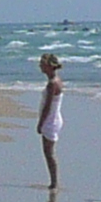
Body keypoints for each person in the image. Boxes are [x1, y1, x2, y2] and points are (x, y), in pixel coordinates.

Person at [35, 51, 65, 189]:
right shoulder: (56, 81)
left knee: (49, 153)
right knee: (48, 153)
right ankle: (53, 181)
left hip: (50, 120)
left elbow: (47, 106)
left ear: (48, 66)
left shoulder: (52, 84)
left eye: (42, 64)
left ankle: (54, 182)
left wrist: (40, 123)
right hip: (53, 119)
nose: (40, 66)